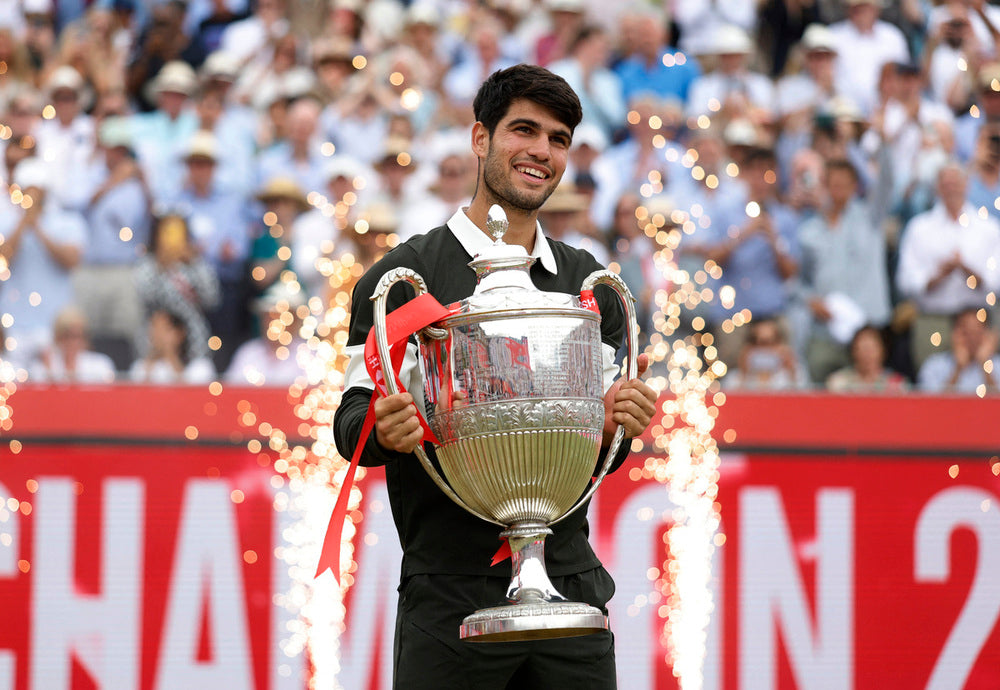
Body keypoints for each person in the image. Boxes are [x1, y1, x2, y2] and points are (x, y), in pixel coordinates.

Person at [332, 65, 656, 689]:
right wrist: (384, 427)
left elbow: (600, 456)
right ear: (480, 138)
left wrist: (617, 425)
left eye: (558, 139)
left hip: (568, 587)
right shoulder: (405, 279)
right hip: (450, 597)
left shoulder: (589, 284)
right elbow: (352, 423)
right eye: (524, 130)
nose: (542, 151)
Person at [917, 307, 1000, 394]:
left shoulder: (998, 364)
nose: (972, 339)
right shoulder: (934, 365)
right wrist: (958, 369)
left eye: (977, 333)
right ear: (953, 333)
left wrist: (985, 366)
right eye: (965, 333)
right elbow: (931, 401)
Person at [128, 307, 217, 384]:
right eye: (154, 329)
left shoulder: (201, 366)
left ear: (180, 333)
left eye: (164, 330)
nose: (158, 336)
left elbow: (192, 393)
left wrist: (171, 357)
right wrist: (149, 366)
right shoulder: (140, 366)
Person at [28, 306, 116, 384]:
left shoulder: (100, 365)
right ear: (57, 338)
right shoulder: (41, 367)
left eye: (78, 336)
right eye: (67, 336)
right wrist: (49, 373)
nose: (73, 342)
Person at [826, 324, 909, 393]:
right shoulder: (838, 382)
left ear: (882, 350)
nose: (867, 354)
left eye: (871, 349)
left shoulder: (896, 384)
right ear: (853, 351)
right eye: (863, 348)